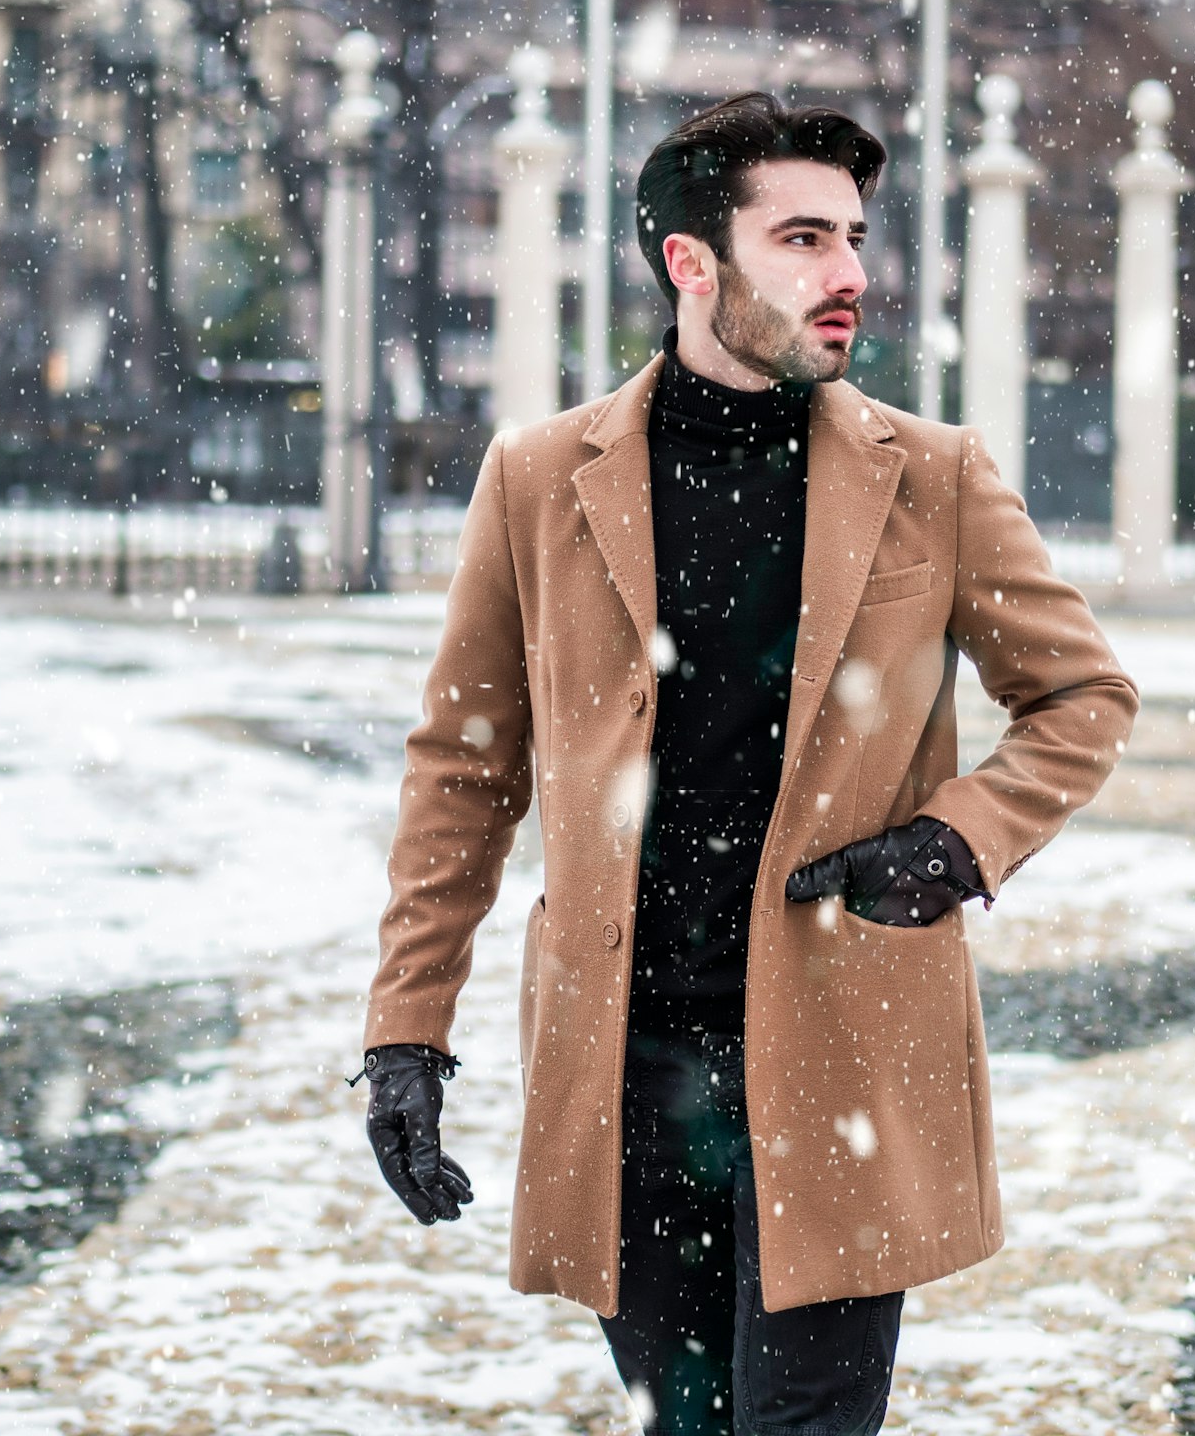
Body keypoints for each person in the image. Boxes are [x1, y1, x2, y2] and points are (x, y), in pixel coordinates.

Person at [350, 91, 1140, 1435]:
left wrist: (957, 840)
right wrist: (406, 1029)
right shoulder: (540, 480)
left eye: (854, 237)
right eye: (804, 238)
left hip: (845, 1068)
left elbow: (1080, 693)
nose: (849, 275)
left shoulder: (934, 475)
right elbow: (465, 770)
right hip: (628, 1069)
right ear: (691, 265)